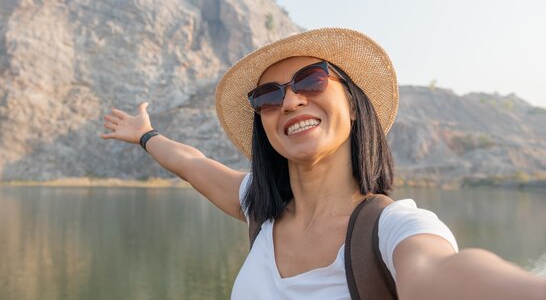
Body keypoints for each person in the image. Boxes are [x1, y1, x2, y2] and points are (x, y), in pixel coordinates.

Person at [100, 28, 546, 300]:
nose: (291, 100)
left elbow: (440, 275)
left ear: (352, 105)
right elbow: (191, 162)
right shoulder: (259, 208)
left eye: (310, 79)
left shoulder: (394, 230)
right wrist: (145, 134)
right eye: (268, 96)